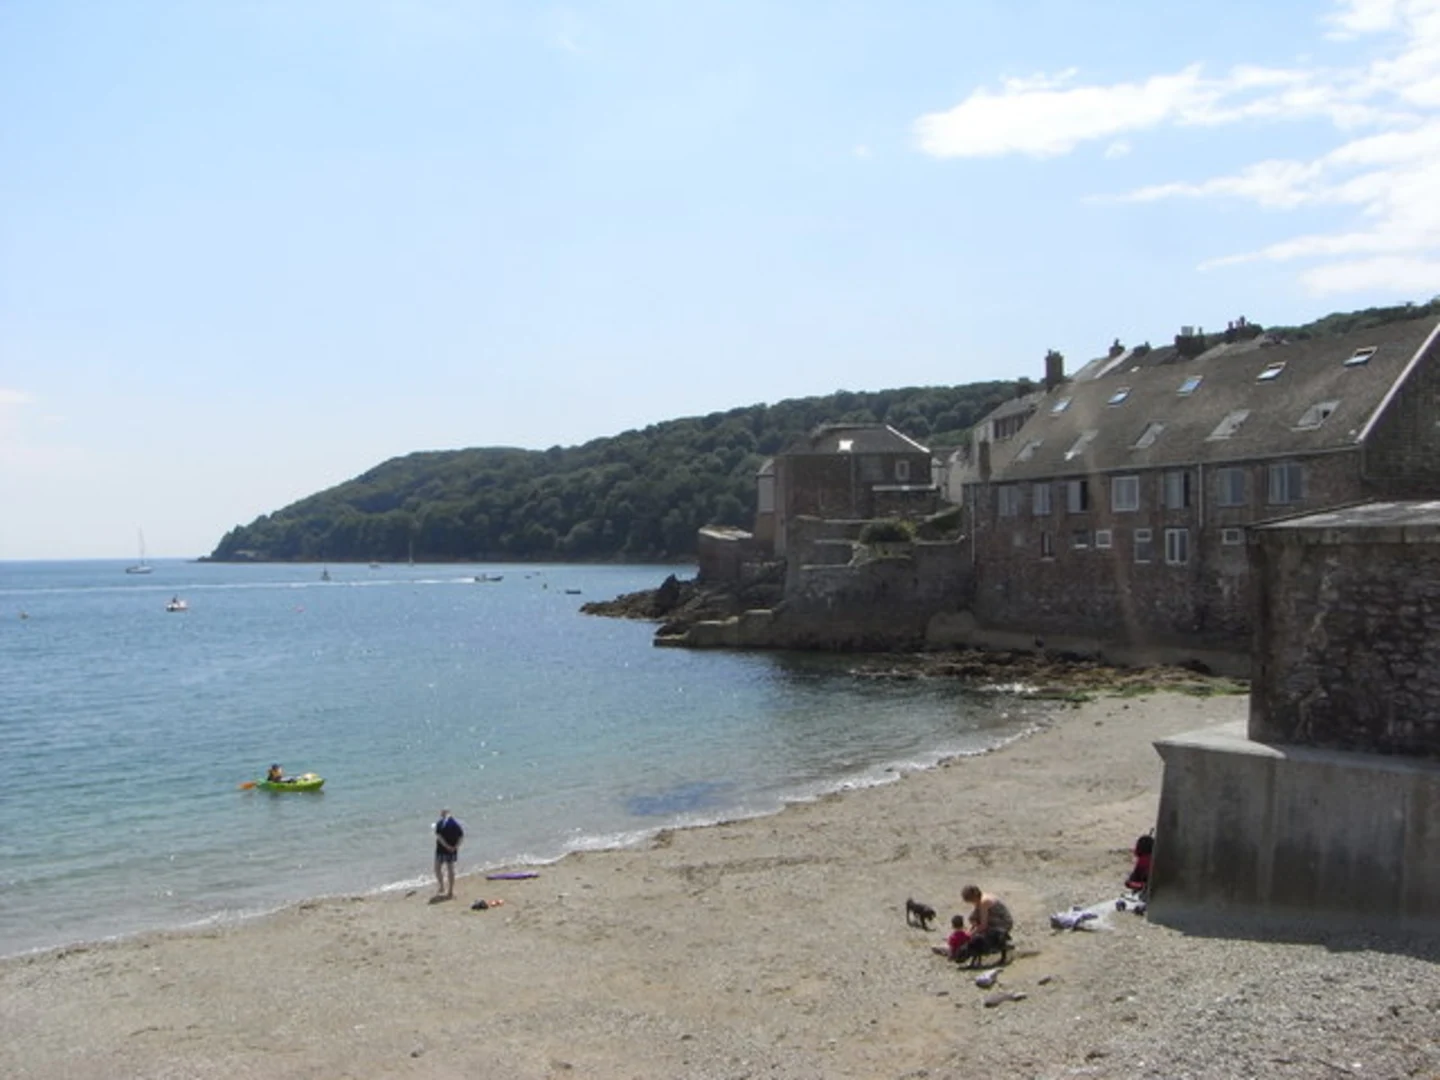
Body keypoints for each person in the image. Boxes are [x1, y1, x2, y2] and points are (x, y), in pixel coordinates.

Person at [961, 884, 1014, 950]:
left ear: (974, 897)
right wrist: (970, 931)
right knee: (972, 917)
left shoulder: (984, 902)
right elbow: (974, 917)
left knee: (982, 929)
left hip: (1004, 923)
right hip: (995, 917)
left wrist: (970, 934)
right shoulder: (979, 898)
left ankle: (999, 939)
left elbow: (983, 925)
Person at [433, 809, 464, 899]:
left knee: (437, 868)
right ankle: (450, 891)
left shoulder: (440, 823)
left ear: (442, 814)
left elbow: (439, 836)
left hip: (441, 849)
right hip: (452, 849)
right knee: (450, 869)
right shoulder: (456, 823)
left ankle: (442, 886)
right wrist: (456, 847)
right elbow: (461, 836)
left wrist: (446, 846)